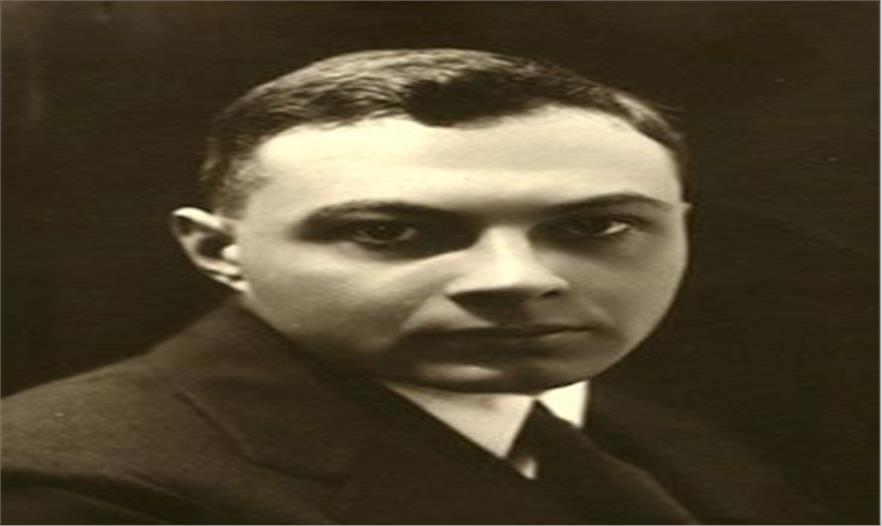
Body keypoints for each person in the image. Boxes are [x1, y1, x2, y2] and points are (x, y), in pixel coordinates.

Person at [2, 49, 825, 524]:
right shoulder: (77, 490)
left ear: (681, 227)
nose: (516, 280)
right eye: (389, 232)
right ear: (219, 250)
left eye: (594, 226)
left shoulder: (679, 446)